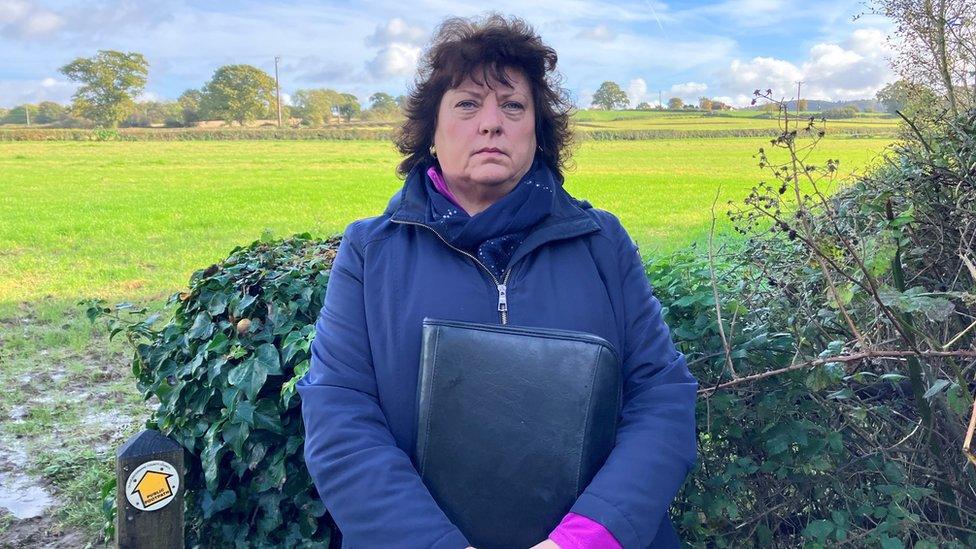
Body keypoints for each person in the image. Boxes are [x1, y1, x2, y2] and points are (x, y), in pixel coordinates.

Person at [297, 13, 698, 549]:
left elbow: (661, 396)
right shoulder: (371, 252)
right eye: (467, 104)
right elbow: (340, 417)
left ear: (538, 131)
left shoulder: (602, 243)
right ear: (431, 132)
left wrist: (586, 539)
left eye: (513, 106)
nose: (492, 123)